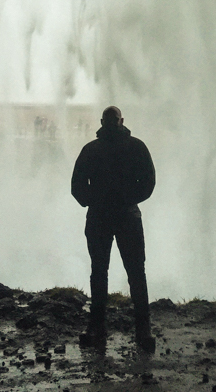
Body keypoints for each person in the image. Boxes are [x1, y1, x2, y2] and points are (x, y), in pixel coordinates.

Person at [71, 106, 156, 352]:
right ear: (121, 121)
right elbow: (148, 182)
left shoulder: (91, 149)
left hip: (102, 216)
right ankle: (141, 329)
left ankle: (99, 327)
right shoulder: (136, 147)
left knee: (102, 272)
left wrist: (93, 200)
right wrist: (128, 199)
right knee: (133, 272)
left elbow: (77, 185)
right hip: (125, 216)